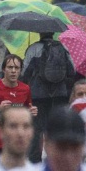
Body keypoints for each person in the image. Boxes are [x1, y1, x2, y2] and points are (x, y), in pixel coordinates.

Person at [22, 32, 75, 162]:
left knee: (36, 129)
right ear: (53, 33)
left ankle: (35, 161)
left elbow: (24, 73)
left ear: (40, 33)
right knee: (57, 128)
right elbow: (72, 71)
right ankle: (56, 159)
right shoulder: (63, 48)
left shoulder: (34, 48)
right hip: (60, 95)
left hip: (38, 96)